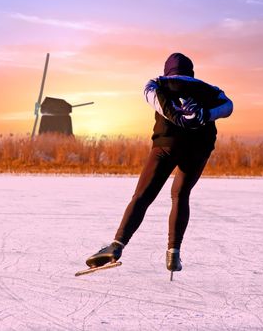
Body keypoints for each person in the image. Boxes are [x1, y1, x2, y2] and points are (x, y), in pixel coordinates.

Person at [85, 53, 234, 274]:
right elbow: (228, 106)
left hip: (167, 144)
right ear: (191, 71)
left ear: (167, 70)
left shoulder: (158, 82)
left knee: (142, 196)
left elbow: (153, 98)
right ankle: (173, 253)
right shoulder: (210, 89)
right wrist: (204, 115)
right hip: (199, 147)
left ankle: (117, 245)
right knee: (180, 195)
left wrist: (177, 117)